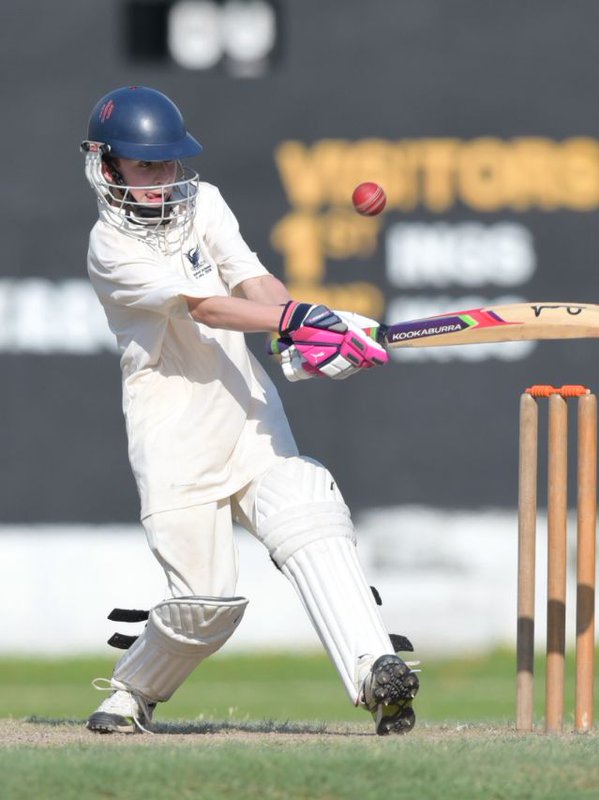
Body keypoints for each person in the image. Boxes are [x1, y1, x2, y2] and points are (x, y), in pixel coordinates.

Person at [80, 85, 419, 735]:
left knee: (305, 502)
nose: (162, 179)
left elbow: (250, 281)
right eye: (146, 166)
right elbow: (204, 307)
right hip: (173, 435)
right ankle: (131, 692)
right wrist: (299, 316)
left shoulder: (201, 203)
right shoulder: (110, 249)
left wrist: (296, 329)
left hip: (247, 410)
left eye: (169, 163)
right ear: (109, 166)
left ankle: (378, 672)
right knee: (207, 605)